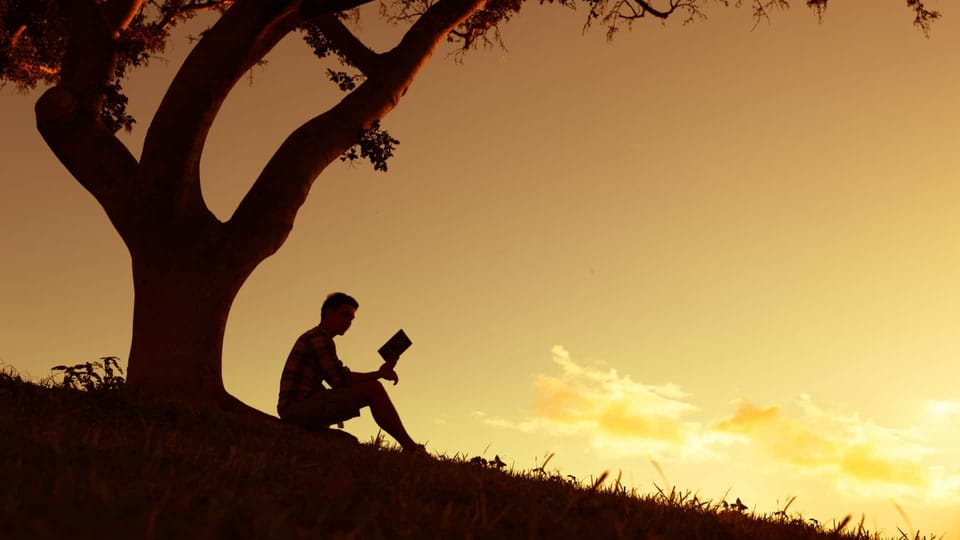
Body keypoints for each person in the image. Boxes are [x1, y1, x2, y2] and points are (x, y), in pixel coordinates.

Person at [277, 292, 421, 452]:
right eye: (345, 315)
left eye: (351, 319)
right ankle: (410, 447)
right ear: (328, 312)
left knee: (349, 432)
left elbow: (338, 379)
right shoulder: (318, 337)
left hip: (299, 406)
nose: (348, 322)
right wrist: (379, 374)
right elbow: (340, 380)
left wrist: (379, 373)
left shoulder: (320, 337)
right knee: (374, 389)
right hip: (297, 408)